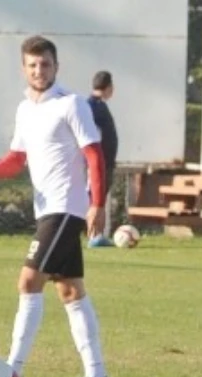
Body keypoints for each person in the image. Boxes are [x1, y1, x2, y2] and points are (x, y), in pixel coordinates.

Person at [0, 35, 111, 377]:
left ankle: (11, 372)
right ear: (24, 69)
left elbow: (94, 155)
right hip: (48, 210)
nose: (39, 70)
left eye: (45, 64)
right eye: (33, 64)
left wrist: (97, 203)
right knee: (70, 290)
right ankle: (96, 375)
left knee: (28, 280)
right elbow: (17, 159)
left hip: (66, 208)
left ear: (56, 67)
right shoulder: (25, 109)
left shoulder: (71, 104)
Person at [86, 71, 119, 247]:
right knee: (94, 200)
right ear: (109, 87)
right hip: (97, 163)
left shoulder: (98, 105)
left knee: (99, 199)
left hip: (105, 162)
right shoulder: (92, 106)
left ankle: (97, 235)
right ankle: (94, 236)